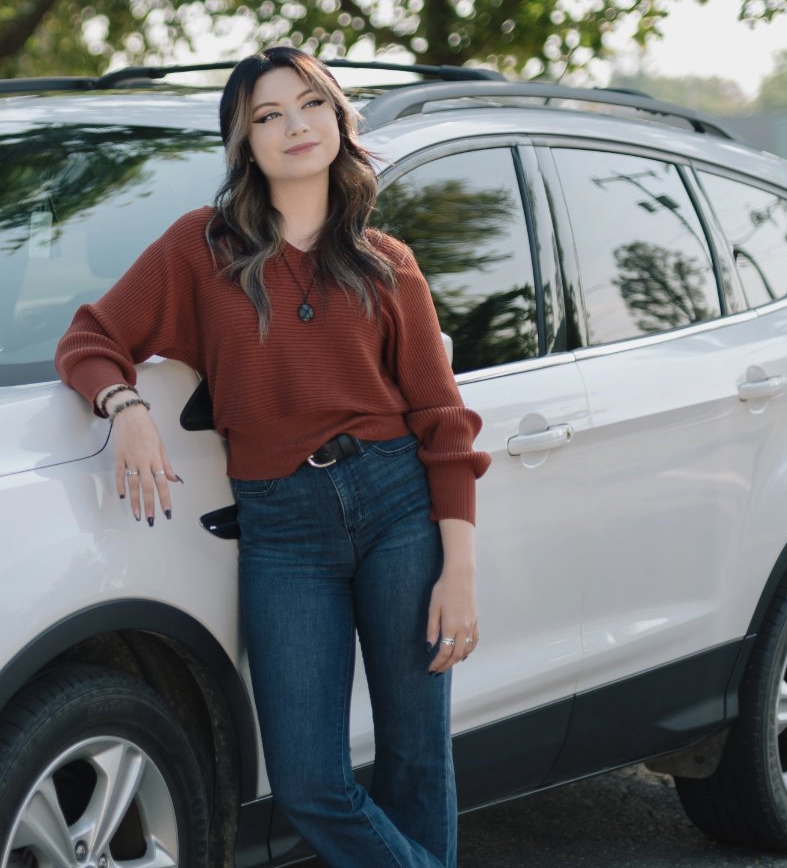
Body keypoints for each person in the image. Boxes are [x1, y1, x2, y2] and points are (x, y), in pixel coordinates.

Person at [56, 46, 490, 868]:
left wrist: (458, 570)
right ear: (243, 143)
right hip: (283, 528)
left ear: (337, 119)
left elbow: (443, 425)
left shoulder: (387, 265)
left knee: (415, 758)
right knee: (307, 782)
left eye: (311, 104)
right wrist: (127, 408)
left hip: (399, 508)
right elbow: (90, 338)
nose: (295, 125)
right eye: (268, 115)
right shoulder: (201, 250)